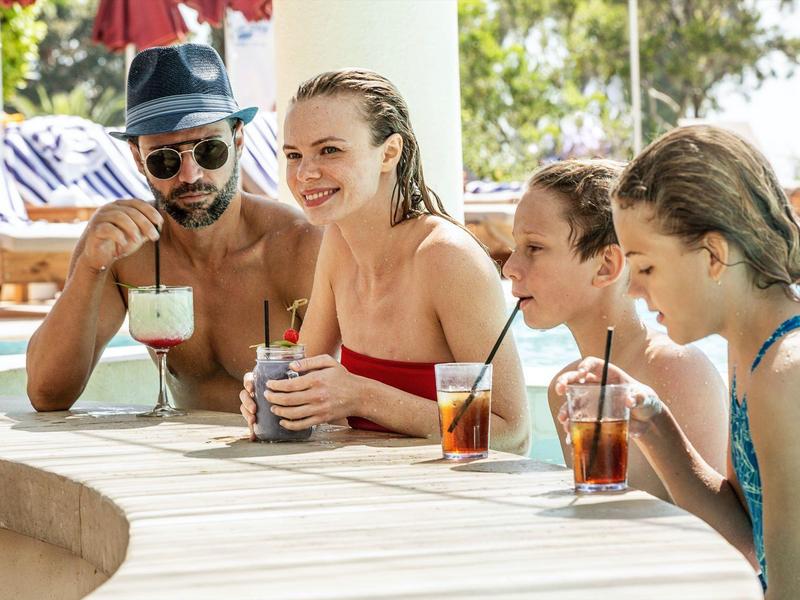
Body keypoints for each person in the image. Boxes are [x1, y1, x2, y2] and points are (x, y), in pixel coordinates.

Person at [554, 126, 800, 595]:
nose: (632, 288)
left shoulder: (785, 372)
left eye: (644, 266)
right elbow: (747, 536)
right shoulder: (750, 350)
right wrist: (650, 420)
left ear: (713, 254)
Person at [239, 69, 529, 454]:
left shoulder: (447, 258)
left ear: (389, 153)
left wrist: (361, 396)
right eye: (294, 155)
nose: (305, 173)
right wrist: (280, 397)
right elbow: (307, 372)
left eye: (329, 150)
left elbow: (512, 433)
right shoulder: (338, 241)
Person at [27, 44, 321, 412]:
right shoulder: (128, 249)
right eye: (164, 159)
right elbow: (47, 394)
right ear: (137, 158)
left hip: (286, 460)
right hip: (180, 463)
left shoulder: (299, 245)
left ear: (239, 139)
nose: (190, 175)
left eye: (209, 150)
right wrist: (89, 268)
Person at [501, 159, 728, 501]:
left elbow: (715, 528)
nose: (510, 268)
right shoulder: (564, 389)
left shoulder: (677, 370)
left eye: (534, 247)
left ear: (606, 265)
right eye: (516, 247)